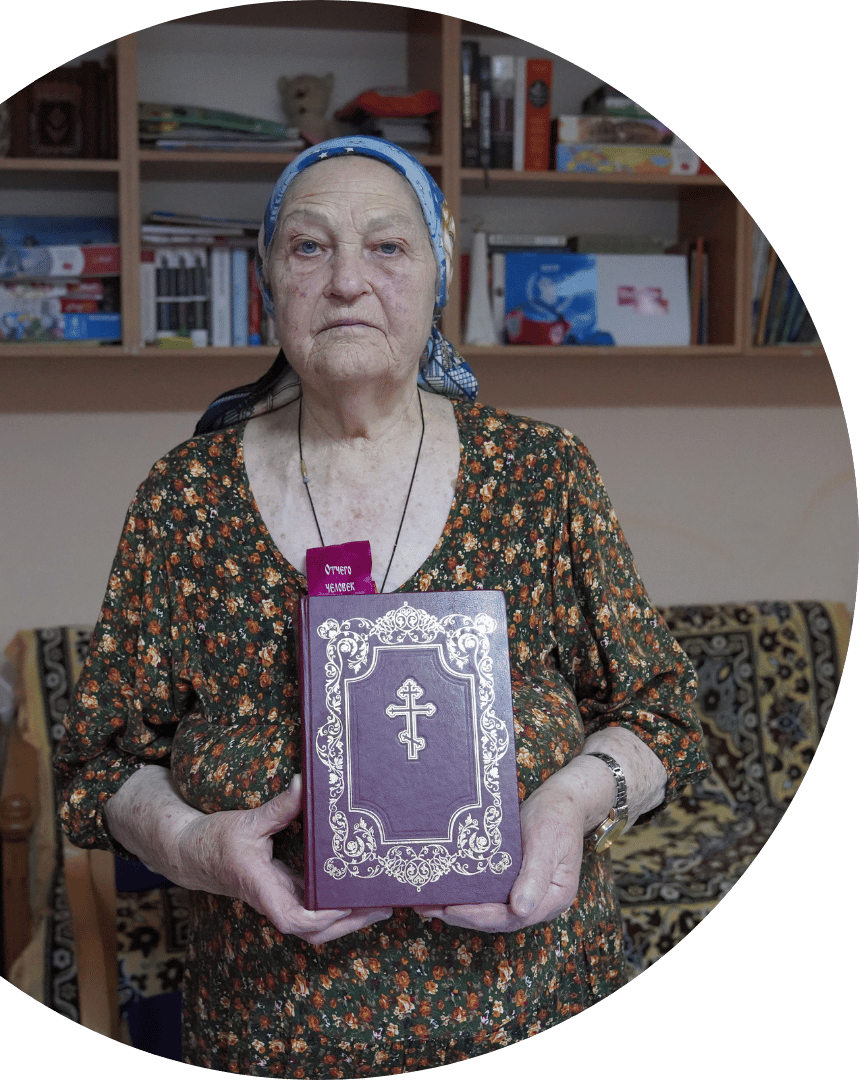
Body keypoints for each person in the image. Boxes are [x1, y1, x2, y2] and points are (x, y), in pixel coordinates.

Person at [55, 136, 708, 1076]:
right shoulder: (185, 499)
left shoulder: (542, 477)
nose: (348, 281)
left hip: (540, 1013)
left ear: (439, 276)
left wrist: (571, 800)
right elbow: (99, 763)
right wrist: (196, 842)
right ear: (268, 283)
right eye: (309, 247)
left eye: (388, 248)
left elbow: (662, 714)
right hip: (277, 1034)